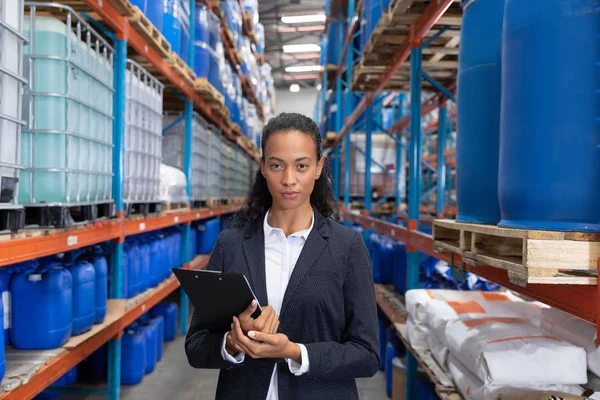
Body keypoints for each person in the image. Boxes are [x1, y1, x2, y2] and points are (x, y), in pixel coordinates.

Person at [185, 113, 380, 399]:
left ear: (318, 168)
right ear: (263, 168)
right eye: (277, 165)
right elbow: (196, 346)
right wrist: (233, 342)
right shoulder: (232, 244)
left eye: (301, 166)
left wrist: (294, 352)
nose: (289, 180)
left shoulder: (347, 247)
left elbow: (367, 354)